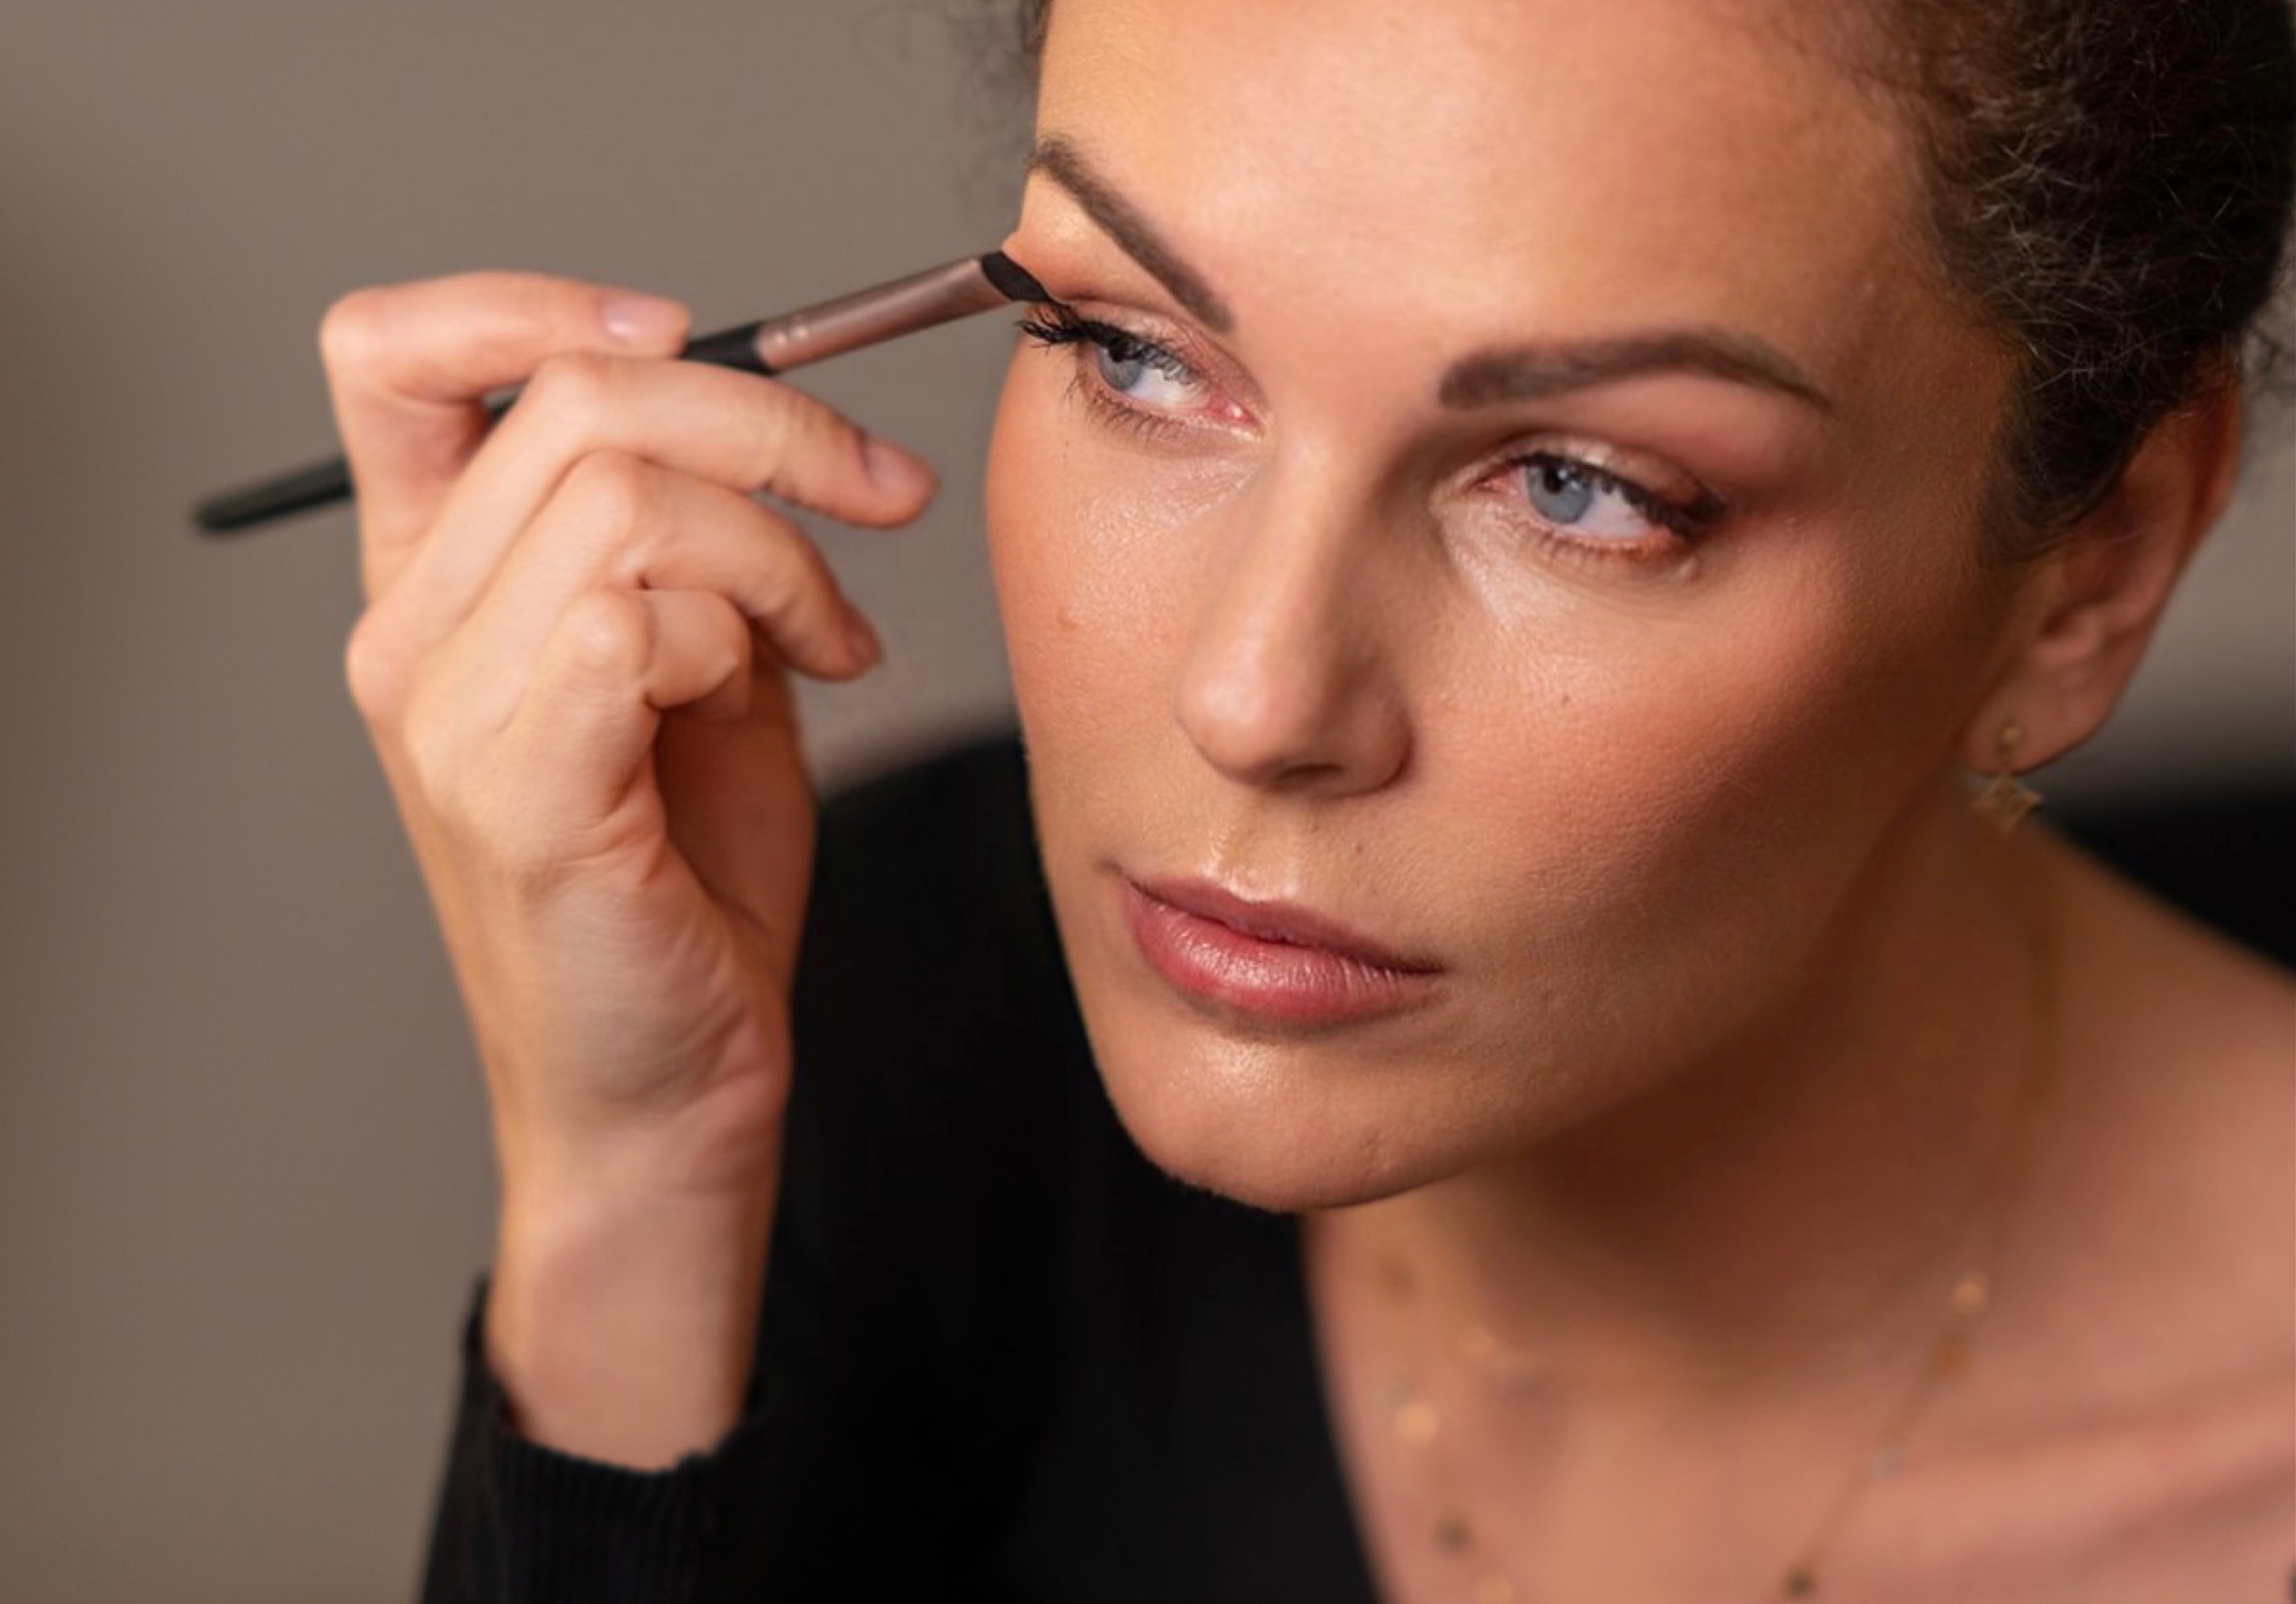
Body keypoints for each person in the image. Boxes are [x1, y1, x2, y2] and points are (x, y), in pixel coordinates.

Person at [318, 0, 2296, 1596]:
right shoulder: (891, 1004)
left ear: (2091, 568)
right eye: (1138, 357)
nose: (1251, 698)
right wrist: (632, 1192)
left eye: (1580, 488)